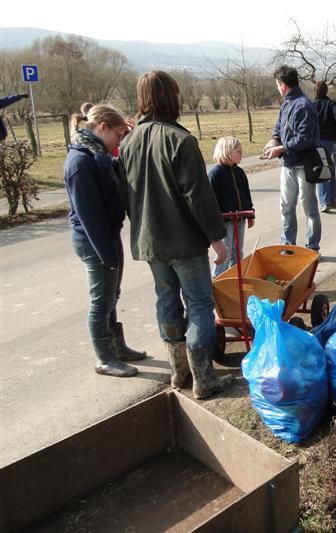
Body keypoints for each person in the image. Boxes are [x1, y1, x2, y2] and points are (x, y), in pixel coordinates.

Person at [118, 70, 234, 400]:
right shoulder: (180, 140)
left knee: (166, 300)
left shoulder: (128, 143)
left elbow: (127, 197)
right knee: (199, 303)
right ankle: (203, 377)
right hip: (184, 241)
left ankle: (179, 372)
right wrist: (218, 239)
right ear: (171, 97)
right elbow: (199, 197)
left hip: (151, 242)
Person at [64, 103, 148, 378]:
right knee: (101, 301)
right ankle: (105, 358)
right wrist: (106, 255)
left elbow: (115, 169)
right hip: (94, 241)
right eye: (118, 135)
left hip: (108, 236)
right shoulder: (80, 163)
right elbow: (89, 216)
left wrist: (130, 140)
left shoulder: (98, 156)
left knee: (112, 295)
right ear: (102, 127)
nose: (119, 141)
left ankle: (117, 348)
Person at [263, 65, 322, 251]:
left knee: (309, 208)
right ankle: (288, 246)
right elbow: (280, 125)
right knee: (286, 206)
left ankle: (312, 248)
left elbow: (304, 139)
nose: (277, 88)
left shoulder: (304, 105)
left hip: (304, 165)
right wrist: (274, 140)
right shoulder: (286, 103)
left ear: (283, 85)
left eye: (277, 85)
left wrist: (281, 148)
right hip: (288, 164)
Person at [209, 136, 254, 277]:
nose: (242, 154)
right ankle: (218, 279)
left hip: (240, 218)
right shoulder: (216, 174)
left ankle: (235, 278)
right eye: (238, 152)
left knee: (238, 251)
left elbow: (246, 195)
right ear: (228, 152)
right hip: (225, 221)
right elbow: (211, 200)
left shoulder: (239, 172)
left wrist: (250, 215)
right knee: (225, 252)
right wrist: (216, 220)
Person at [313, 81, 336, 212]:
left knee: (321, 169)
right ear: (326, 91)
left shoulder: (311, 105)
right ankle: (332, 200)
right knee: (331, 169)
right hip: (331, 141)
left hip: (317, 140)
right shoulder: (332, 104)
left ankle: (324, 201)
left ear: (315, 91)